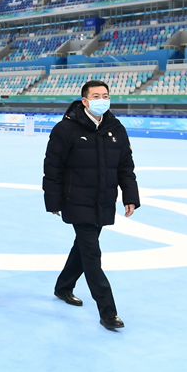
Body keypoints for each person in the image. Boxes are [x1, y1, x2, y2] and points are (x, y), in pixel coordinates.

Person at [43, 80, 139, 331]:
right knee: (92, 255)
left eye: (105, 96)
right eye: (96, 96)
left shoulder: (116, 128)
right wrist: (53, 200)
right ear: (84, 101)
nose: (102, 100)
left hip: (104, 200)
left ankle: (63, 287)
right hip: (76, 200)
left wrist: (130, 195)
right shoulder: (65, 129)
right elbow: (52, 167)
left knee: (83, 248)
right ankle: (108, 312)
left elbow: (125, 165)